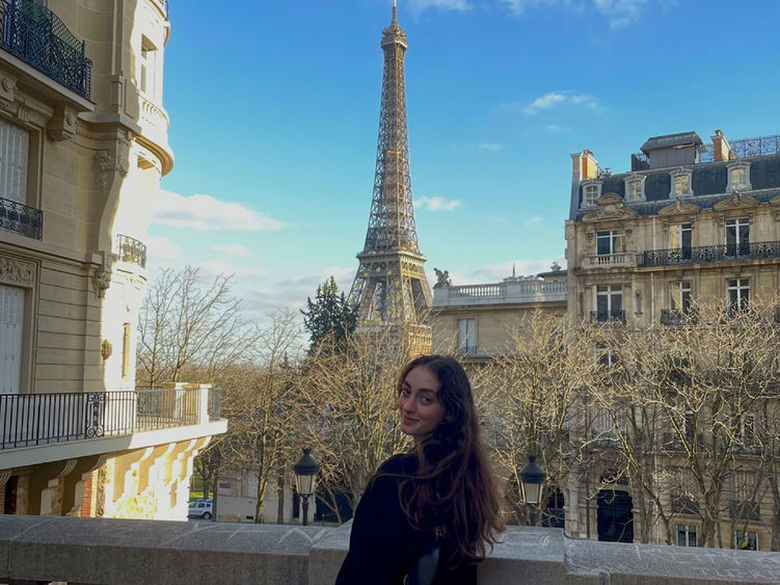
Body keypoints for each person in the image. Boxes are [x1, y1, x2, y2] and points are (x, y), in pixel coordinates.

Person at [335, 355, 504, 585]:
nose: (407, 406)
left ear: (449, 410)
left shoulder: (397, 476)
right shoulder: (467, 478)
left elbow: (361, 571)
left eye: (425, 399)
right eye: (406, 391)